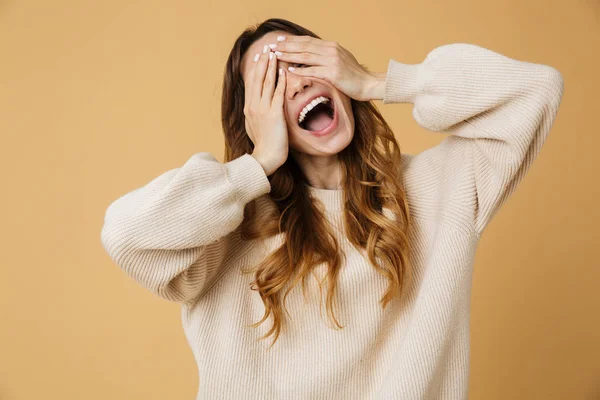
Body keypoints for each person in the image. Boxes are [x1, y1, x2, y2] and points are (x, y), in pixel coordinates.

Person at [100, 17, 564, 400]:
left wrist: (378, 81)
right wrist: (256, 164)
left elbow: (536, 90)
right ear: (254, 116)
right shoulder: (225, 223)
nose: (298, 81)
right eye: (273, 79)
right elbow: (126, 235)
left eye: (306, 62)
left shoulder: (438, 190)